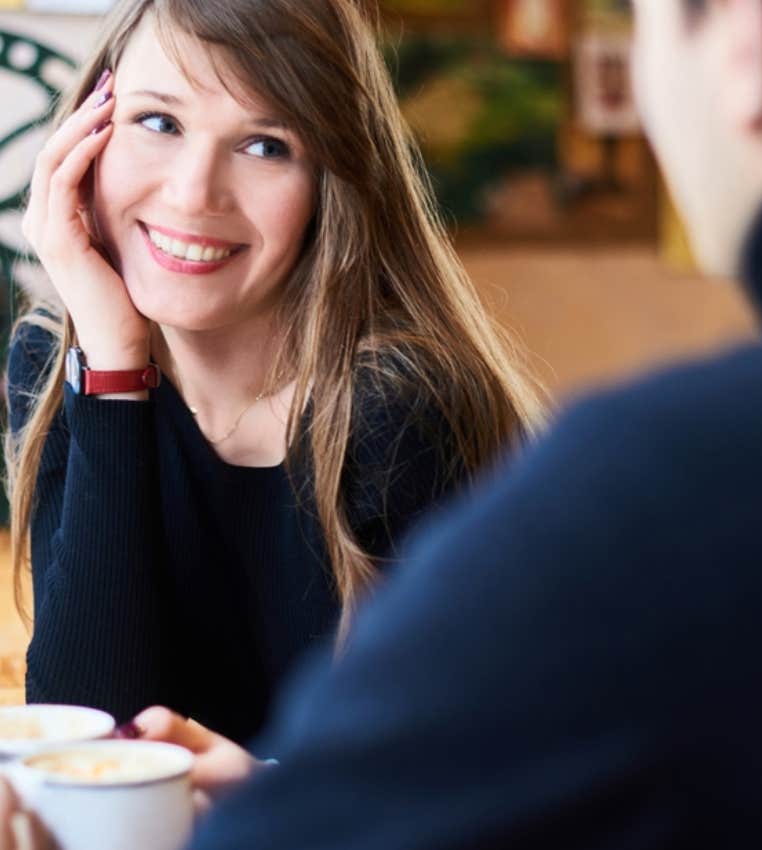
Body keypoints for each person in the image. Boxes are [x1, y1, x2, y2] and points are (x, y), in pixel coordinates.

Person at [3, 0, 543, 749]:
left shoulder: (397, 410)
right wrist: (114, 373)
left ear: (332, 182)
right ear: (85, 137)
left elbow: (457, 776)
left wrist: (259, 795)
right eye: (158, 122)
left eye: (264, 145)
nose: (194, 193)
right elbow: (90, 745)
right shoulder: (60, 360)